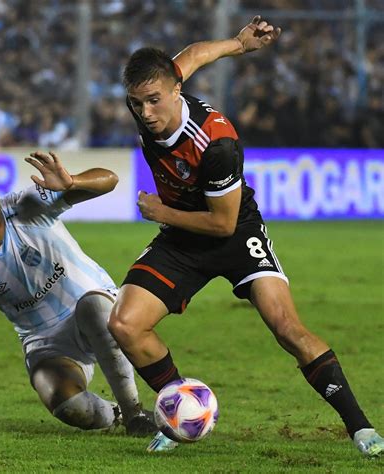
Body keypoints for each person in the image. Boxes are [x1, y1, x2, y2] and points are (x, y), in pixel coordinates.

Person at [108, 16, 384, 455]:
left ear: (175, 91)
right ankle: (183, 409)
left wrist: (161, 211)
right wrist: (237, 43)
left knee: (287, 327)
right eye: (136, 103)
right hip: (183, 238)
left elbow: (221, 224)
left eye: (153, 101)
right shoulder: (154, 93)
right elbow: (196, 54)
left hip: (234, 232)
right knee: (124, 323)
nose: (145, 113)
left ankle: (362, 429)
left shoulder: (217, 143)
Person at [0, 152, 156, 437]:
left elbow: (110, 180)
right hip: (47, 342)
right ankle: (116, 414)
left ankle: (135, 414)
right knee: (69, 406)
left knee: (92, 307)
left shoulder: (28, 206)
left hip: (97, 304)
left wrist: (71, 182)